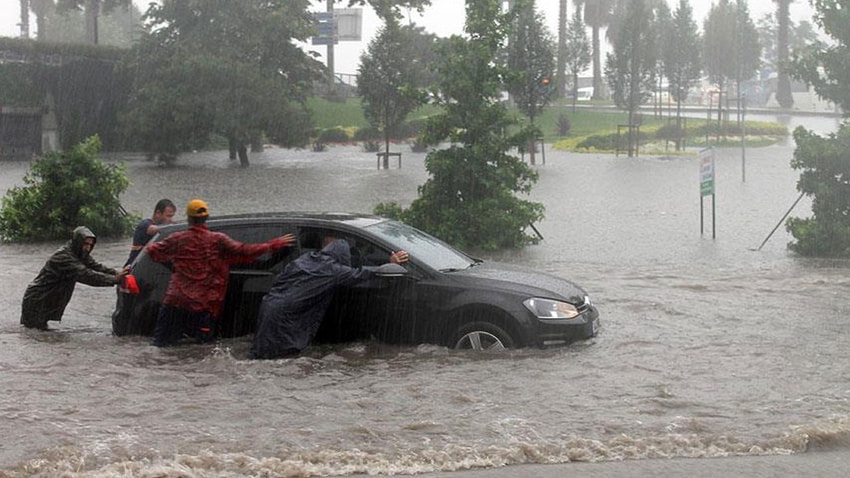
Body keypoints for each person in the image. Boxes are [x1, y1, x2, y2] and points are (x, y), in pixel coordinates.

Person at [145, 199, 295, 347]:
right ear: (206, 218)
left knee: (160, 346)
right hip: (201, 306)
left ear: (189, 218)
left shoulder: (177, 238)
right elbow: (245, 251)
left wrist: (174, 266)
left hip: (175, 302)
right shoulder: (218, 240)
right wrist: (272, 245)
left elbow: (152, 250)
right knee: (203, 350)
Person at [250, 236, 408, 360]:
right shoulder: (332, 270)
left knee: (262, 353)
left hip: (269, 306)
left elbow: (282, 278)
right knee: (283, 356)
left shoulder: (305, 259)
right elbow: (361, 274)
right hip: (288, 316)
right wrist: (389, 264)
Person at [21, 226, 130, 330]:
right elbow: (86, 275)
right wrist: (114, 279)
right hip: (38, 300)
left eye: (90, 245)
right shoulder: (64, 257)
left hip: (47, 298)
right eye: (85, 244)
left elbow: (95, 266)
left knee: (40, 334)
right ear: (78, 242)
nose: (87, 248)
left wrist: (117, 272)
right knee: (36, 333)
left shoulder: (78, 252)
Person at [125, 198, 176, 266]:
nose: (171, 220)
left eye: (172, 216)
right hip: (134, 267)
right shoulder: (144, 224)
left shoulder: (164, 229)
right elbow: (152, 230)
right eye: (168, 216)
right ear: (158, 213)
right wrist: (174, 227)